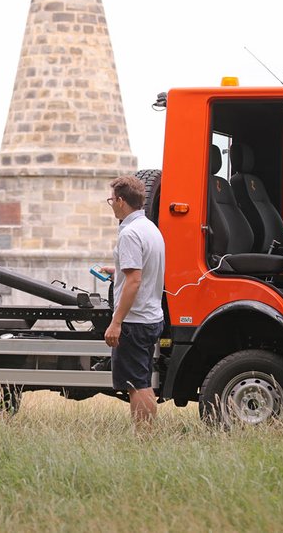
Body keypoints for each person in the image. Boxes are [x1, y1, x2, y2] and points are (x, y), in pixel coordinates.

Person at [102, 175, 166, 426]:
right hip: (151, 315)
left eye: (111, 200)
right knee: (141, 379)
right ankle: (145, 437)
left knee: (136, 384)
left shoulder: (129, 233)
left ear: (120, 200)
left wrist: (116, 322)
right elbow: (142, 271)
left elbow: (135, 281)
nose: (112, 205)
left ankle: (144, 439)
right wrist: (117, 270)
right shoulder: (151, 229)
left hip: (134, 320)